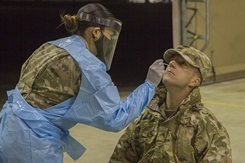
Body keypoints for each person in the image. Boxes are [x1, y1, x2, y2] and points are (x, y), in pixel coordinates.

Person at [0, 3, 165, 163]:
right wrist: (149, 84)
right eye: (109, 35)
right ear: (96, 33)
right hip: (33, 144)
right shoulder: (86, 64)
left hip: (7, 131)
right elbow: (115, 117)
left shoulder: (50, 47)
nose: (110, 41)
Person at [109, 45, 232, 163]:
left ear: (195, 81)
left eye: (182, 63)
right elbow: (120, 158)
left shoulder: (208, 128)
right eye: (172, 61)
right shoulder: (147, 117)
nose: (172, 64)